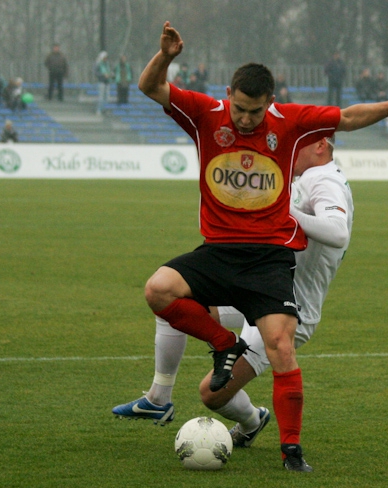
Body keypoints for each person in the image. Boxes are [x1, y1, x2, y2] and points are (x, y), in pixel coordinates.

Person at [130, 21, 388, 472]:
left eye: (254, 111)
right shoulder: (206, 114)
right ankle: (223, 345)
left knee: (279, 345)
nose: (245, 119)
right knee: (158, 290)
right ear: (229, 93)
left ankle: (292, 451)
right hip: (219, 251)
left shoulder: (289, 123)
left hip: (269, 258)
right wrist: (167, 56)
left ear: (270, 102)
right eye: (240, 108)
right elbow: (150, 86)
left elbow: (346, 118)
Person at [113, 135, 352, 450]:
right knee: (174, 297)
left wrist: (286, 215)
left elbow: (337, 231)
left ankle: (252, 421)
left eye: (299, 142)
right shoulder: (303, 177)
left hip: (290, 308)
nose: (290, 148)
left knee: (211, 395)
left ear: (321, 145)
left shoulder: (324, 181)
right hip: (258, 289)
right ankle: (159, 397)